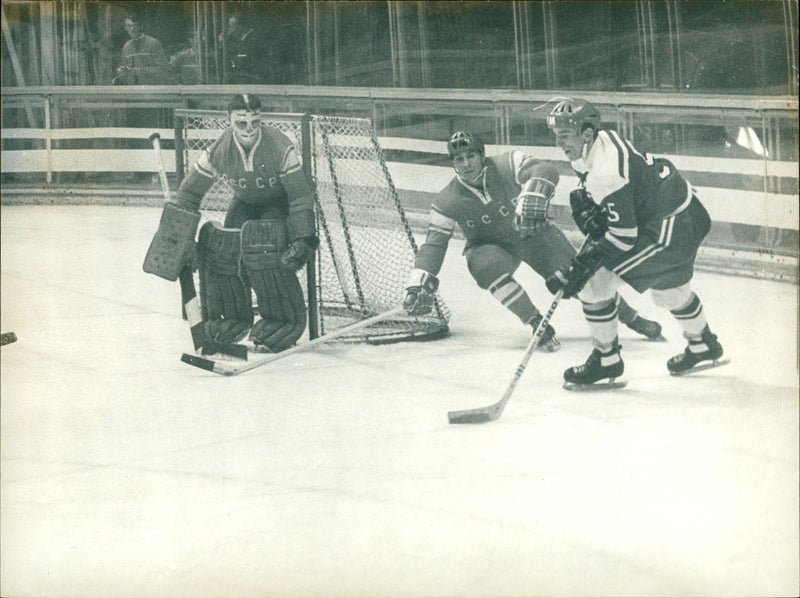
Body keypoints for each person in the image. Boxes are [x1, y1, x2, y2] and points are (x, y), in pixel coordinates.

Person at [402, 131, 663, 351]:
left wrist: (535, 190)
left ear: (482, 155)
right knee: (483, 265)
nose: (467, 163)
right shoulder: (446, 201)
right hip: (492, 247)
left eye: (471, 155)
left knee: (581, 278)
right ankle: (536, 322)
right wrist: (418, 283)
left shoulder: (508, 163)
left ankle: (632, 318)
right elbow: (433, 246)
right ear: (453, 164)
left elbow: (545, 169)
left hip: (534, 235)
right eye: (459, 159)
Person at [544, 99, 725, 387]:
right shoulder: (603, 138)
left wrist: (580, 268)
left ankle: (607, 360)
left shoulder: (605, 172)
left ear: (586, 134)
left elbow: (623, 237)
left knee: (594, 284)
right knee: (667, 291)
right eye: (556, 136)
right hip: (684, 212)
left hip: (669, 227)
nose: (558, 143)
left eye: (564, 136)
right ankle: (703, 344)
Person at [143, 94, 318, 353]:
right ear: (230, 121)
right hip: (244, 202)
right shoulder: (220, 149)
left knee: (264, 248)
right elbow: (190, 193)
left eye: (255, 122)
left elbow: (301, 195)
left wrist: (303, 237)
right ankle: (231, 319)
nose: (249, 129)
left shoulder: (280, 147)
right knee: (223, 248)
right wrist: (177, 237)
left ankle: (280, 320)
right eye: (242, 123)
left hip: (277, 205)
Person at [113, 14, 168, 85]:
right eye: (129, 26)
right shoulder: (126, 47)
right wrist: (122, 72)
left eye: (135, 25)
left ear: (141, 26)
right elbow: (126, 70)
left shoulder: (153, 43)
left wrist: (136, 71)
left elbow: (163, 70)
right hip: (133, 89)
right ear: (125, 28)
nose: (132, 29)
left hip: (151, 89)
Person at [221, 14, 260, 84]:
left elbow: (243, 54)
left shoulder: (253, 37)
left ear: (239, 26)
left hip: (251, 73)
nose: (230, 30)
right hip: (241, 71)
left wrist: (226, 42)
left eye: (231, 27)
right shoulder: (238, 39)